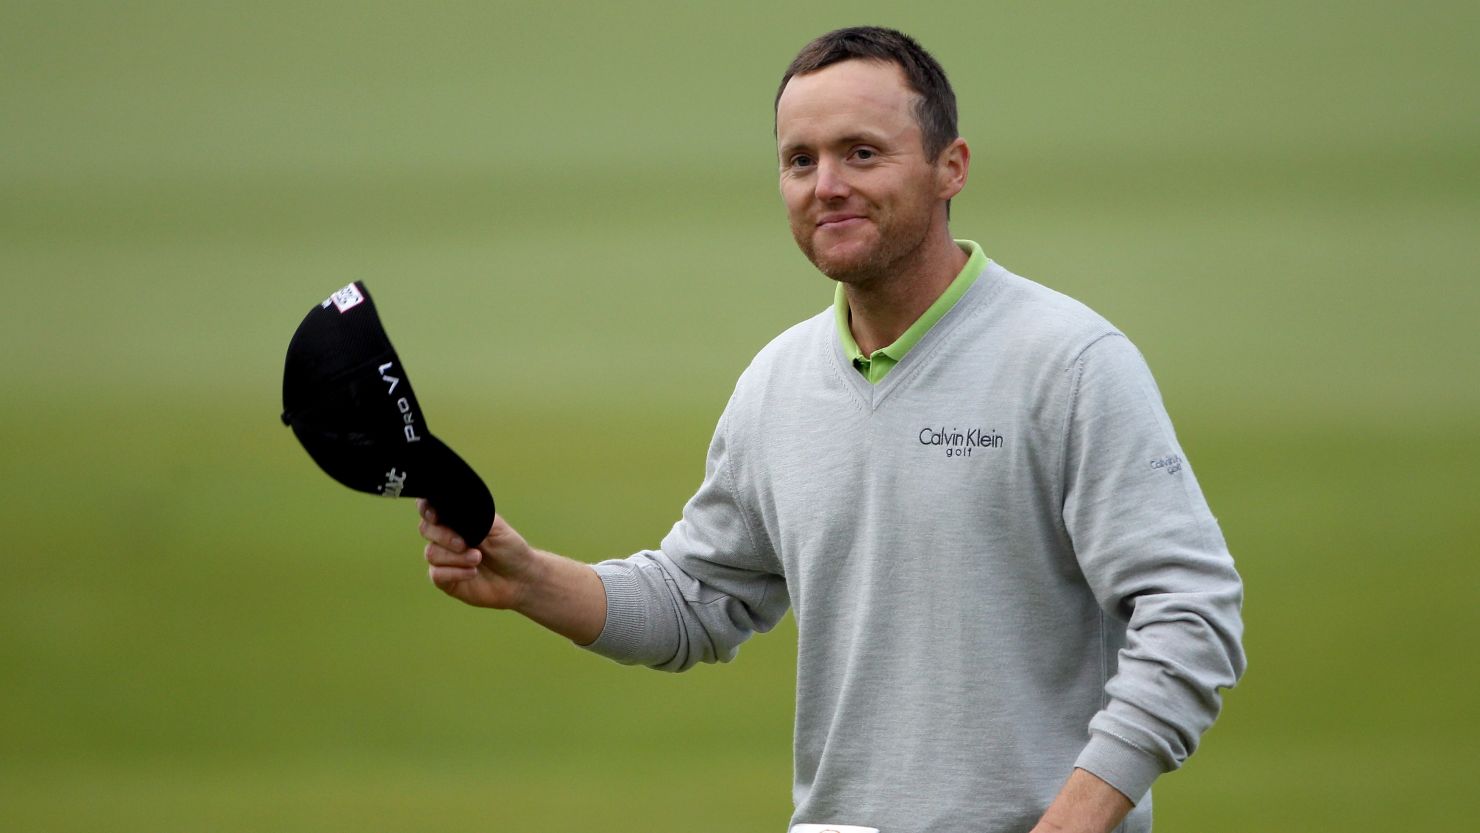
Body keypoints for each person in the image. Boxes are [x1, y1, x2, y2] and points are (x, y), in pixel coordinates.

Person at [418, 26, 1245, 833]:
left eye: (861, 152)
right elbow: (696, 599)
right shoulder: (777, 383)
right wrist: (527, 579)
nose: (827, 185)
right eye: (799, 160)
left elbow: (1192, 613)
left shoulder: (1069, 364)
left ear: (949, 167)